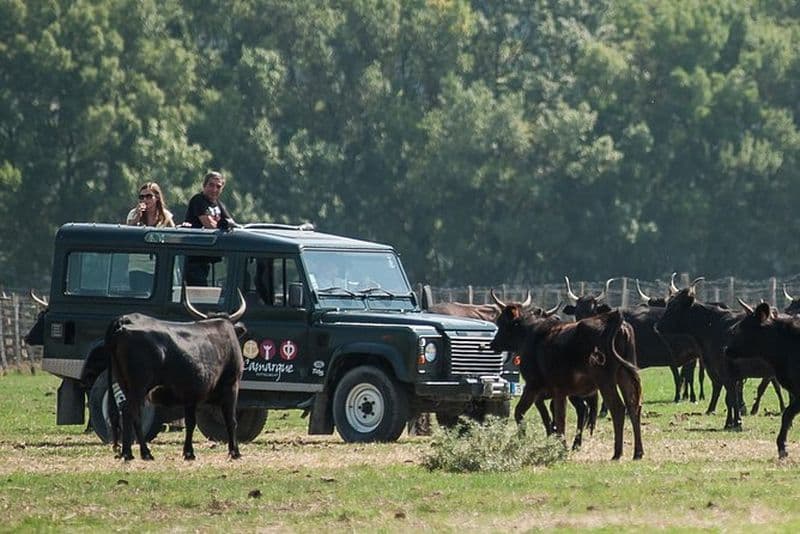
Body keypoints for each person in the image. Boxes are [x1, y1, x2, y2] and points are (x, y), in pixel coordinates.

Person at [183, 171, 235, 285]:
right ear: (204, 185)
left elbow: (231, 223)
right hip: (194, 258)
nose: (214, 189)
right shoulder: (198, 200)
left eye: (218, 186)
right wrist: (222, 226)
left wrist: (227, 225)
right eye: (211, 185)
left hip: (209, 258)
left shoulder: (219, 204)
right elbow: (209, 225)